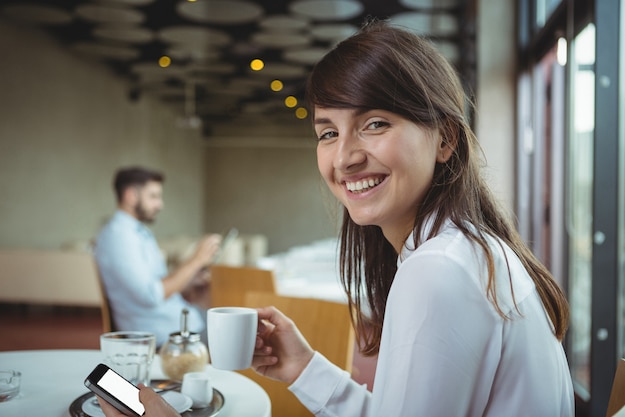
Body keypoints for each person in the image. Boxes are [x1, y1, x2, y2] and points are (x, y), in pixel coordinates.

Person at [99, 20, 574, 417]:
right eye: (328, 132)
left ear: (445, 139)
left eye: (375, 124)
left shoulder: (438, 270)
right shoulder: (470, 249)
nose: (344, 158)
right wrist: (304, 367)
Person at [94, 166, 221, 347]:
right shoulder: (119, 236)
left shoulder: (137, 232)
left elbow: (159, 283)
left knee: (233, 325)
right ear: (131, 196)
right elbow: (151, 295)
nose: (160, 205)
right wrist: (196, 260)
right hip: (163, 333)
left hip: (178, 321)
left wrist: (189, 280)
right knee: (239, 338)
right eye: (153, 196)